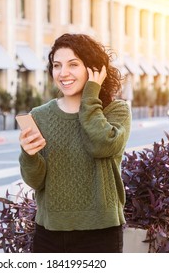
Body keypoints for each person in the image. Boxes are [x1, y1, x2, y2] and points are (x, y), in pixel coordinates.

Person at [18, 33, 131, 253]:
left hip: (101, 233)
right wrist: (28, 155)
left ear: (94, 70)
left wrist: (91, 95)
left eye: (73, 64)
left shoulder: (116, 111)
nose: (63, 73)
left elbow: (100, 146)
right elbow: (36, 181)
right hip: (49, 233)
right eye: (57, 65)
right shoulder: (39, 116)